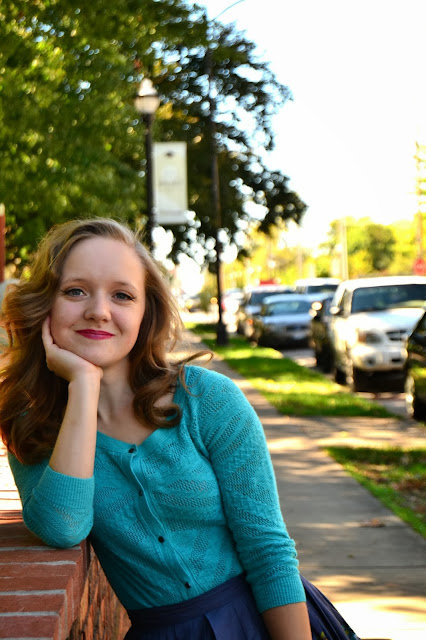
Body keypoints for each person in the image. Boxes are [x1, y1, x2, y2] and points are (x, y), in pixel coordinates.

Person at [0, 218, 359, 640]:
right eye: (75, 291)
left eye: (122, 295)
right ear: (46, 305)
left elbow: (269, 553)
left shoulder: (207, 400)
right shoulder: (33, 422)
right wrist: (83, 385)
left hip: (270, 621)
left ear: (144, 312)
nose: (98, 310)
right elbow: (62, 526)